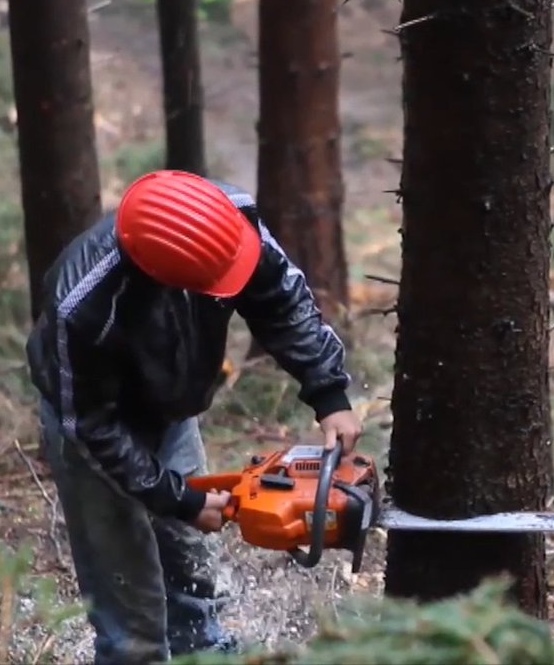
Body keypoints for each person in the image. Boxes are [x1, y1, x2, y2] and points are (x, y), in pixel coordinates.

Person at [24, 170, 363, 663]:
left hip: (172, 410)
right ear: (162, 279)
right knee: (129, 597)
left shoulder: (230, 219)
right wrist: (179, 499)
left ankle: (200, 648)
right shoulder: (83, 305)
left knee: (191, 563)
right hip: (96, 432)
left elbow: (281, 298)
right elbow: (91, 425)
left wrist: (329, 393)